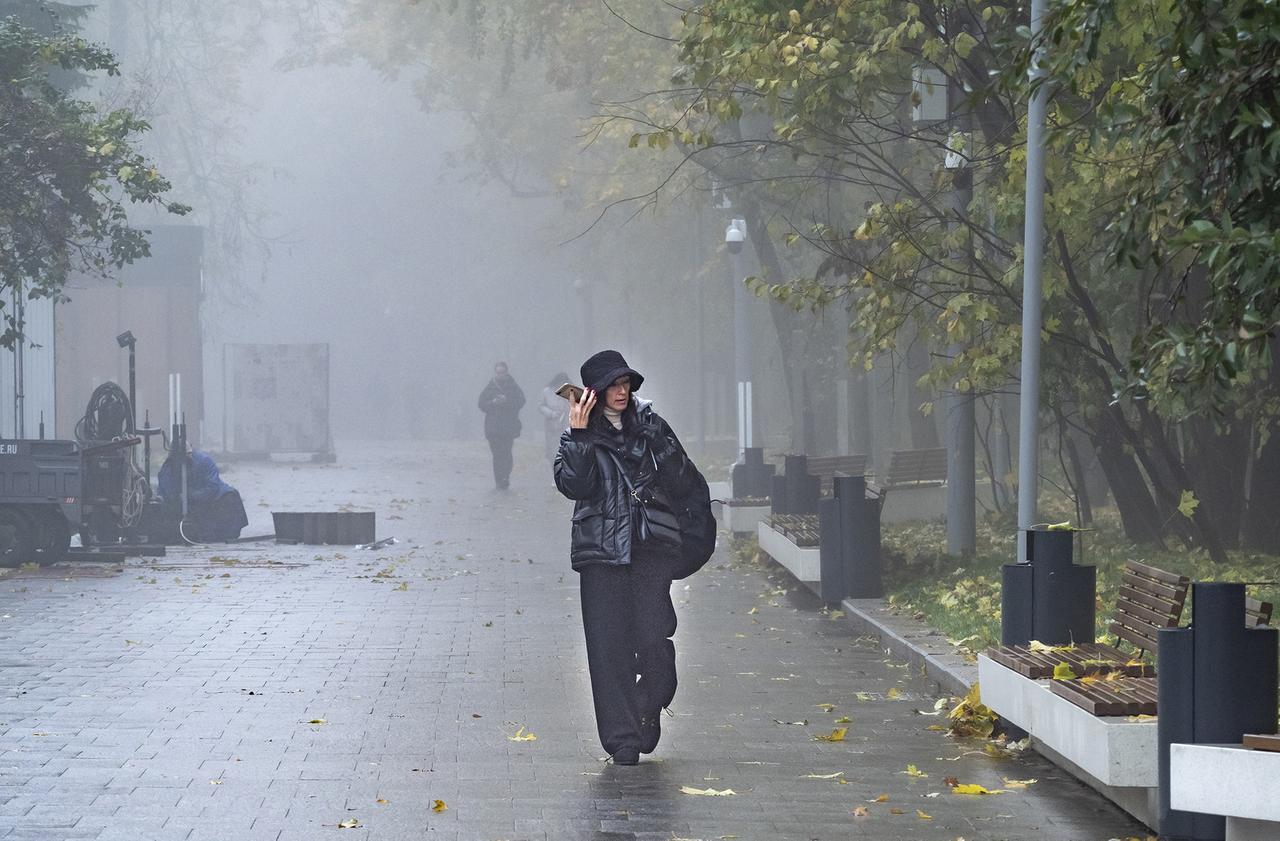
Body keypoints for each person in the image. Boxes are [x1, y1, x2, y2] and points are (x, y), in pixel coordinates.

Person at [553, 350, 700, 766]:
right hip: (600, 554)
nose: (622, 391)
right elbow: (573, 486)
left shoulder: (651, 426)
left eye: (626, 383)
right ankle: (623, 740)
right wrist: (580, 436)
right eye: (613, 385)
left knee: (655, 637)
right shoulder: (575, 437)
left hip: (650, 548)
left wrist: (661, 444)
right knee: (608, 649)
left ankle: (650, 699)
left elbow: (684, 478)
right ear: (593, 394)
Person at [156, 447, 248, 542]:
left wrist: (190, 495)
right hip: (184, 502)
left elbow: (212, 487)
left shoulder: (204, 461)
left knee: (229, 498)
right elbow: (165, 485)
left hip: (211, 498)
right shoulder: (169, 466)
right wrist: (169, 499)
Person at [477, 361, 525, 489]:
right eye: (498, 372)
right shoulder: (490, 387)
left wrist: (507, 401)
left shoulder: (513, 386)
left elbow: (521, 401)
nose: (500, 375)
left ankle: (505, 476)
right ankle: (499, 479)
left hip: (508, 427)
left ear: (506, 372)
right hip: (493, 428)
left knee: (507, 453)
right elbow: (481, 404)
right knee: (497, 454)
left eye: (502, 372)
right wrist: (493, 402)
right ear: (495, 373)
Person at [538, 371, 571, 463]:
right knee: (552, 449)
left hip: (566, 425)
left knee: (566, 448)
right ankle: (554, 463)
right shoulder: (547, 391)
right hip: (552, 424)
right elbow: (541, 406)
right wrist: (551, 413)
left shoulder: (571, 391)